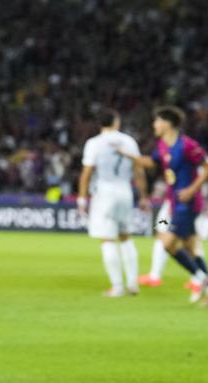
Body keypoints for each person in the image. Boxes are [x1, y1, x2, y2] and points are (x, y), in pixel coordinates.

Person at [119, 106, 208, 306]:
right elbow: (151, 162)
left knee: (167, 243)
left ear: (168, 123)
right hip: (172, 205)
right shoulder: (163, 146)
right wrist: (129, 156)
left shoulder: (186, 145)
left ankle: (203, 282)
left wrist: (193, 190)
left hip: (188, 204)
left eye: (157, 121)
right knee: (185, 246)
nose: (154, 125)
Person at [77, 109, 146, 297]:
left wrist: (82, 198)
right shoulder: (129, 141)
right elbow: (139, 170)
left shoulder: (94, 143)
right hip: (125, 191)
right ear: (116, 122)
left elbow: (87, 172)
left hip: (104, 193)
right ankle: (133, 284)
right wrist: (144, 196)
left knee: (107, 239)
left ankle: (117, 287)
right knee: (125, 237)